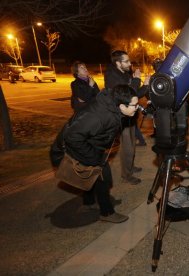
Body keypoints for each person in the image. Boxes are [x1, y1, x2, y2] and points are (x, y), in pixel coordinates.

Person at [64, 85, 140, 223]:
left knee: (92, 175)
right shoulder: (98, 117)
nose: (137, 108)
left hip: (92, 144)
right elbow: (72, 136)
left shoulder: (113, 108)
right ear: (122, 106)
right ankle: (107, 212)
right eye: (135, 105)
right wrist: (94, 157)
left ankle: (89, 203)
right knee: (103, 179)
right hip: (83, 147)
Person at [104, 50, 149, 185]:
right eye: (126, 61)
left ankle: (129, 166)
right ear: (118, 63)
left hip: (130, 114)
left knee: (131, 144)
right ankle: (126, 174)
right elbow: (127, 95)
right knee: (127, 146)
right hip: (120, 116)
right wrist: (136, 80)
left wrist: (145, 85)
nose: (130, 64)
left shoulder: (125, 73)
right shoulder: (112, 76)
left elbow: (135, 94)